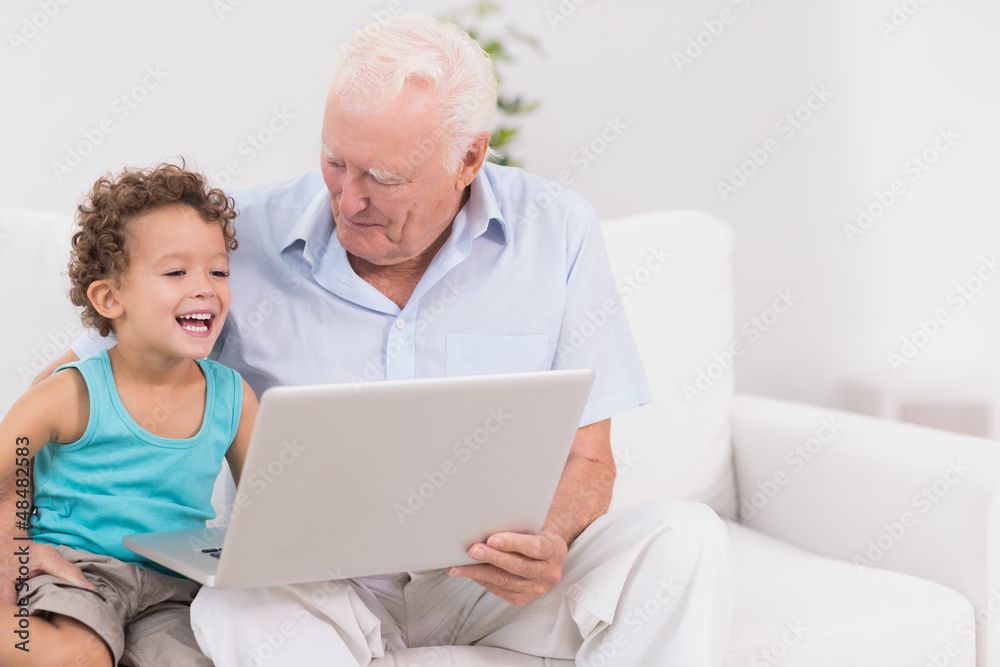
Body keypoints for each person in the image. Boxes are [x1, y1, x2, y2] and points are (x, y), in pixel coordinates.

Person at [10, 14, 735, 665]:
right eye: (335, 160)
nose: (347, 197)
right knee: (231, 602)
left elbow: (589, 457)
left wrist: (544, 537)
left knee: (685, 538)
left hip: (490, 584)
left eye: (383, 178)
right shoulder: (236, 241)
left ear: (469, 159)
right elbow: (91, 373)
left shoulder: (558, 232)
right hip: (320, 585)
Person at [0, 163, 257, 666]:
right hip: (77, 573)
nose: (205, 287)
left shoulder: (232, 398)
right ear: (110, 298)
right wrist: (14, 539)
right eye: (176, 271)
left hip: (171, 589)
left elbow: (267, 503)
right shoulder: (72, 394)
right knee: (78, 655)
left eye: (218, 270)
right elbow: (12, 462)